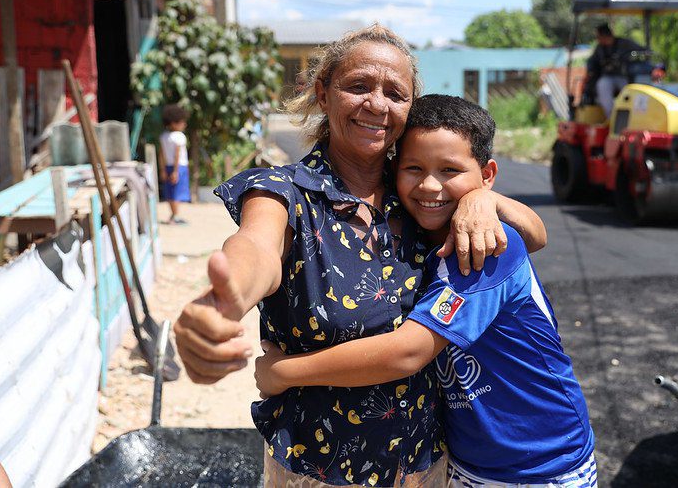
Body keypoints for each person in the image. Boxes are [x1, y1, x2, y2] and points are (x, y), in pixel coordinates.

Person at [174, 25, 547, 487]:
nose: (376, 103)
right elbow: (257, 249)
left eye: (395, 93)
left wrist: (483, 200)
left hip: (426, 466)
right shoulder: (284, 193)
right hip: (318, 472)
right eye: (358, 86)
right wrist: (226, 297)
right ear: (323, 92)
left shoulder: (419, 193)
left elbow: (532, 235)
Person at [255, 95, 596, 488]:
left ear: (487, 174)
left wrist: (283, 373)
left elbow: (409, 351)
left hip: (542, 465)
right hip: (467, 462)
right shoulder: (415, 240)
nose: (431, 185)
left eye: (450, 170)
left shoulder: (488, 248)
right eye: (413, 168)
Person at [587, 23, 646, 118]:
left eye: (598, 37)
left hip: (625, 77)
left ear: (604, 35)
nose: (597, 39)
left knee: (630, 91)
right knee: (602, 86)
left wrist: (630, 60)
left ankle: (634, 116)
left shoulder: (625, 44)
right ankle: (612, 117)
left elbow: (643, 51)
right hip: (607, 77)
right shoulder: (600, 48)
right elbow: (592, 61)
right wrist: (590, 70)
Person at [158, 104, 190, 224]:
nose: (184, 124)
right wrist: (176, 171)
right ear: (173, 123)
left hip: (167, 167)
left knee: (170, 192)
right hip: (179, 167)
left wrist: (162, 170)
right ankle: (176, 216)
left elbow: (161, 154)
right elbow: (177, 155)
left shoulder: (163, 136)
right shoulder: (180, 137)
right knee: (178, 192)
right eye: (182, 122)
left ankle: (173, 214)